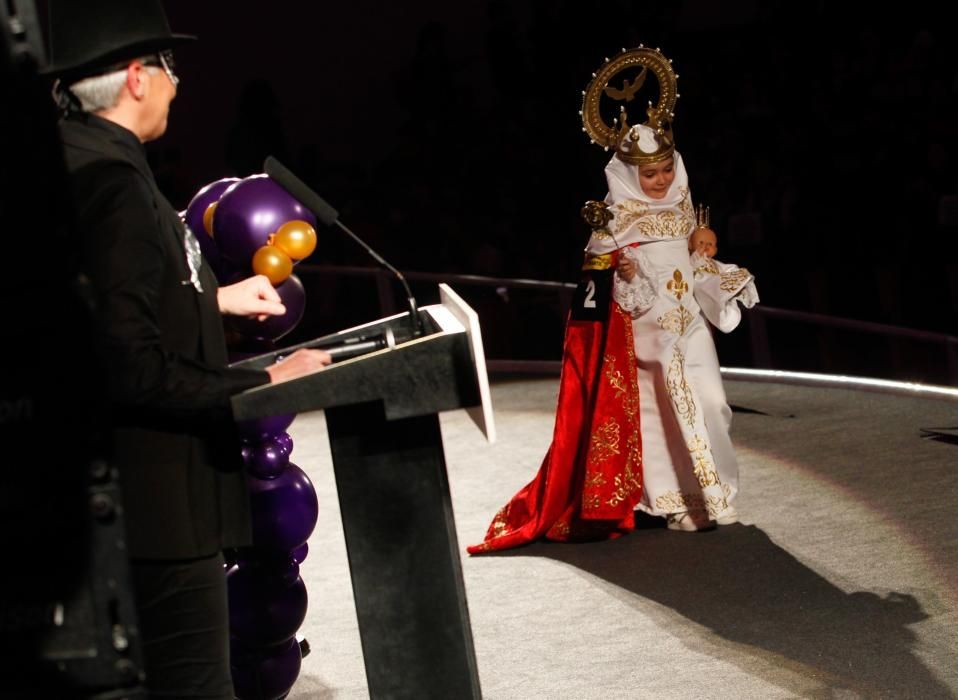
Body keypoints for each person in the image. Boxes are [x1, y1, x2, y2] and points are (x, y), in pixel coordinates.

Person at [43, 1, 331, 696]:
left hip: (131, 507)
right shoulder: (110, 187)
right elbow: (128, 365)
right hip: (160, 513)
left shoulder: (86, 160)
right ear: (137, 76)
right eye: (170, 67)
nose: (180, 82)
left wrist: (213, 300)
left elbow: (116, 304)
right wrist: (261, 383)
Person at [469, 47, 757, 553]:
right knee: (669, 409)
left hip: (690, 323)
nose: (661, 180)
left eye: (666, 169)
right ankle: (683, 500)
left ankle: (716, 489)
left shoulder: (684, 207)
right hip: (647, 330)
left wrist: (712, 263)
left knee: (710, 402)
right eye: (650, 174)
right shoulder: (614, 221)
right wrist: (621, 270)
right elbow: (599, 297)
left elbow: (695, 264)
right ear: (627, 175)